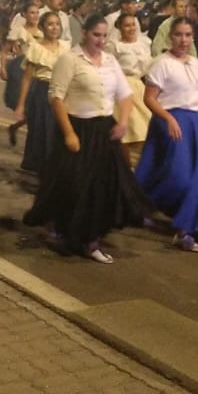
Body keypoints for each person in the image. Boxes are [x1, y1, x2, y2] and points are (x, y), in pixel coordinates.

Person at [22, 15, 150, 263]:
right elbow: (56, 97)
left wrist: (123, 122)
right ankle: (69, 231)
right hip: (78, 128)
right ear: (85, 33)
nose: (100, 40)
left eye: (104, 36)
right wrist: (69, 133)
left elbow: (125, 94)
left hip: (104, 129)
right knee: (76, 185)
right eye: (95, 35)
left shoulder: (110, 61)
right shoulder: (70, 59)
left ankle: (92, 239)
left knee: (103, 186)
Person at [136, 18, 198, 252]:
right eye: (179, 35)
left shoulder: (195, 63)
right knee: (177, 177)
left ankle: (185, 231)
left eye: (188, 35)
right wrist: (169, 119)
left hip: (194, 125)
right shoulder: (162, 63)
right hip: (170, 122)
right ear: (170, 37)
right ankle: (141, 203)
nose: (183, 40)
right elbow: (149, 98)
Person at [14, 13, 69, 175]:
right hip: (42, 92)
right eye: (50, 24)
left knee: (60, 128)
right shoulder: (36, 48)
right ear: (43, 27)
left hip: (62, 92)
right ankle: (40, 166)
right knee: (42, 129)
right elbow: (27, 78)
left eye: (57, 24)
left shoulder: (65, 47)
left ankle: (58, 166)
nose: (54, 28)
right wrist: (20, 105)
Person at [105, 13, 152, 168]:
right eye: (127, 25)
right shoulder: (114, 46)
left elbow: (148, 69)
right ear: (120, 28)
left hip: (140, 87)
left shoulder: (144, 44)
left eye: (133, 24)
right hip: (122, 88)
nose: (131, 28)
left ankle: (142, 167)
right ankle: (126, 166)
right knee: (128, 132)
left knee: (146, 128)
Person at [1, 0, 42, 146]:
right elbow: (5, 50)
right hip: (23, 69)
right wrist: (3, 67)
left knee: (37, 108)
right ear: (24, 14)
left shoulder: (43, 29)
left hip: (40, 70)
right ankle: (32, 143)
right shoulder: (18, 30)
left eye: (37, 13)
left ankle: (15, 128)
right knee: (27, 106)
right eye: (32, 12)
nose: (35, 15)